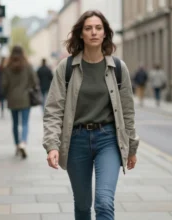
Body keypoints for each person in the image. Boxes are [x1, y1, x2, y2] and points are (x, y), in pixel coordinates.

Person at [43, 10, 139, 220]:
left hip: (108, 140)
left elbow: (128, 112)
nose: (94, 32)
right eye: (88, 28)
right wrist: (52, 145)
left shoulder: (118, 69)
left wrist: (131, 147)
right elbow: (53, 110)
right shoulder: (66, 68)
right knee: (83, 205)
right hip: (76, 140)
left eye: (98, 28)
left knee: (104, 202)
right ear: (81, 34)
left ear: (105, 33)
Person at [2, 45, 37, 159]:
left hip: (12, 99)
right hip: (25, 98)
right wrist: (28, 87)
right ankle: (23, 142)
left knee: (15, 123)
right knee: (25, 123)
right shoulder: (27, 66)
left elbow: (4, 84)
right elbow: (34, 81)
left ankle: (17, 145)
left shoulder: (7, 67)